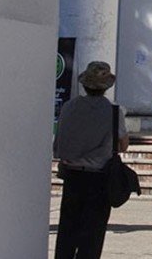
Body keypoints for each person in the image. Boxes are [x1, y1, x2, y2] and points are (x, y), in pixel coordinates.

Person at [53, 62, 128, 259]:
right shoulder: (113, 112)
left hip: (72, 176)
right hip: (99, 178)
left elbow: (59, 141)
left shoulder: (69, 107)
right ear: (106, 87)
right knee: (92, 237)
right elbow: (123, 144)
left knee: (67, 232)